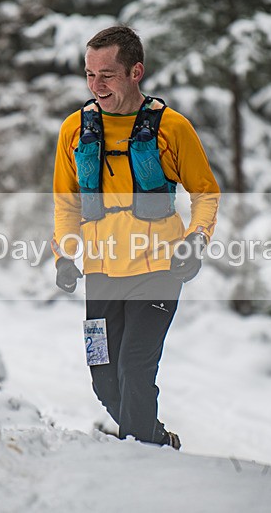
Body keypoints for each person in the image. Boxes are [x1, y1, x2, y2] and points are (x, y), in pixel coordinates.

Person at [52, 26, 220, 449]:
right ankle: (156, 440)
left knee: (134, 369)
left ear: (135, 72)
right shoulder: (75, 129)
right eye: (90, 75)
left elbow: (205, 192)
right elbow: (66, 203)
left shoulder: (171, 127)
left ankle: (139, 464)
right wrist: (66, 255)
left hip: (159, 269)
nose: (97, 85)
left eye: (107, 74)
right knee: (104, 379)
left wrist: (197, 240)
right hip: (101, 270)